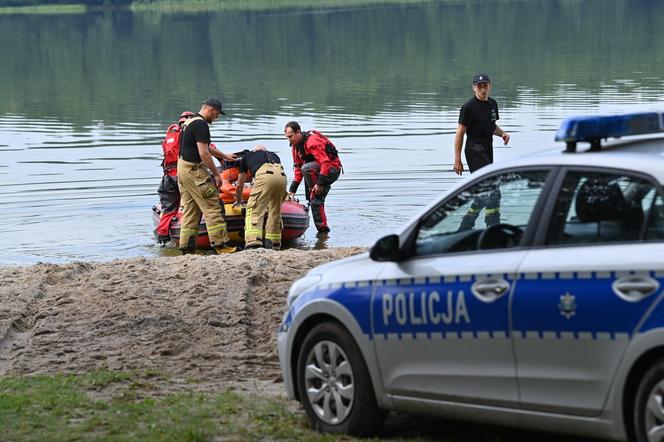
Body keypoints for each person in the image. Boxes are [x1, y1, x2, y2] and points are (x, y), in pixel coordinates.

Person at [177, 97, 237, 254]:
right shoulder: (201, 124)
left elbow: (206, 147)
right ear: (211, 110)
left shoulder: (189, 121)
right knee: (212, 206)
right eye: (216, 115)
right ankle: (221, 245)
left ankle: (187, 248)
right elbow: (203, 153)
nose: (216, 119)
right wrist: (216, 175)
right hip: (195, 171)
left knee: (191, 209)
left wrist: (224, 156)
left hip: (182, 170)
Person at [453, 73, 510, 229]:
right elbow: (460, 132)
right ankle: (493, 226)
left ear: (490, 86)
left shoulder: (492, 104)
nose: (483, 89)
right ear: (474, 88)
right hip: (473, 150)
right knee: (493, 188)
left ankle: (467, 224)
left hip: (487, 149)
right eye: (479, 86)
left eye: (485, 86)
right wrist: (457, 159)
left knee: (485, 191)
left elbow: (491, 126)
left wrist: (502, 133)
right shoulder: (468, 107)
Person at [284, 122, 342, 234]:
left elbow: (325, 162)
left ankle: (315, 190)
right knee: (315, 201)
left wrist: (319, 184)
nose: (289, 140)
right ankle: (323, 232)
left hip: (332, 169)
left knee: (306, 168)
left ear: (298, 132)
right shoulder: (295, 147)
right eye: (287, 137)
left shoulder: (312, 141)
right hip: (315, 172)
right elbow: (297, 169)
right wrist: (292, 190)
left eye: (290, 136)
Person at [233, 145, 287, 250]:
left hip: (265, 175)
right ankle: (274, 243)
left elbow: (240, 184)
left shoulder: (247, 156)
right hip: (282, 177)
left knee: (254, 209)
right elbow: (273, 182)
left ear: (254, 150)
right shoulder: (274, 155)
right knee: (275, 211)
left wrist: (239, 200)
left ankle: (253, 241)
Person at [156, 111, 195, 245]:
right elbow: (206, 149)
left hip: (168, 178)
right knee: (194, 203)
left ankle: (162, 237)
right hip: (183, 175)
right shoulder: (188, 134)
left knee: (168, 209)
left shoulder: (168, 137)